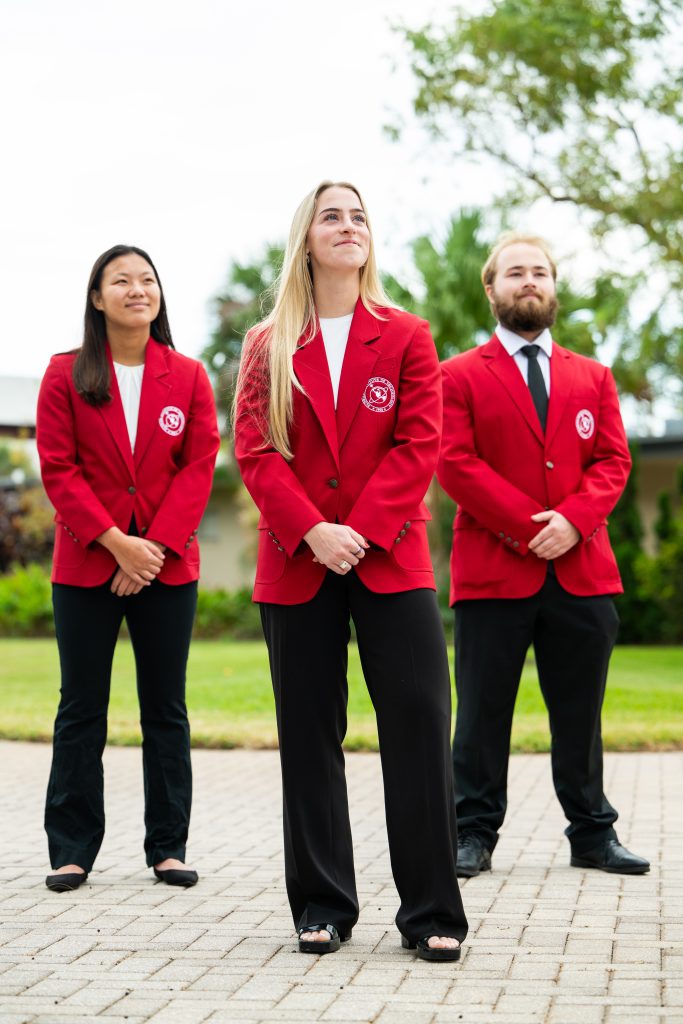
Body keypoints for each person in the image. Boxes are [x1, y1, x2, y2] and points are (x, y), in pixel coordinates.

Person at [233, 181, 467, 961]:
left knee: (418, 726)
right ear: (306, 237)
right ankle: (323, 906)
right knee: (307, 735)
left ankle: (432, 911)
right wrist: (312, 531)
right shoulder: (268, 342)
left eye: (358, 216)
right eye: (331, 216)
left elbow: (418, 444)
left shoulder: (406, 334)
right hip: (296, 562)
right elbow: (255, 452)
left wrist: (356, 533)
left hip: (389, 558)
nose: (346, 226)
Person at [437, 232, 650, 878]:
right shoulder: (456, 376)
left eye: (538, 272)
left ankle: (591, 834)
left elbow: (613, 460)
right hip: (494, 573)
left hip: (581, 574)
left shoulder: (593, 377)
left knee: (579, 714)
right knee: (479, 714)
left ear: (552, 287)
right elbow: (453, 462)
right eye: (513, 273)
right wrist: (531, 527)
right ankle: (470, 834)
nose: (527, 282)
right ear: (490, 288)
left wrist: (574, 521)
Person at [36, 244, 220, 892]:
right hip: (87, 565)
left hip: (167, 569)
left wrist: (154, 550)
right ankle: (71, 849)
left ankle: (168, 847)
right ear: (97, 297)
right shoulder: (65, 374)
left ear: (158, 296)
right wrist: (118, 543)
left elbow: (198, 468)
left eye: (147, 279)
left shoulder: (190, 376)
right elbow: (59, 470)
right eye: (121, 280)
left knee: (164, 707)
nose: (136, 289)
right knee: (80, 707)